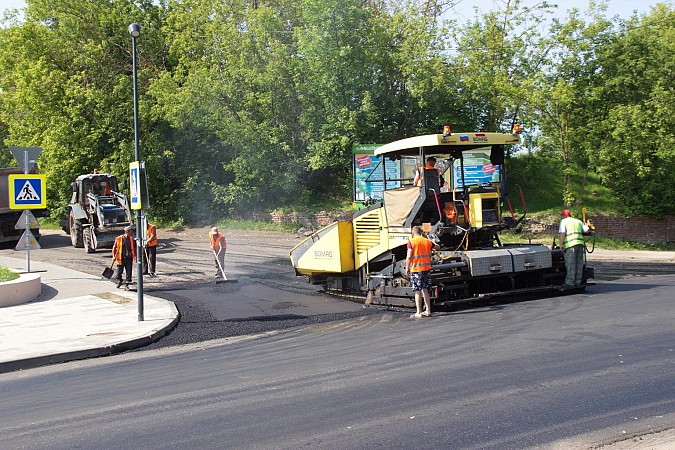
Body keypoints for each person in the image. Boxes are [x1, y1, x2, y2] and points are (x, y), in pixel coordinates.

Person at [406, 225, 440, 319]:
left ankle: (418, 312)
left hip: (416, 270)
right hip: (426, 269)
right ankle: (428, 311)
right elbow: (437, 247)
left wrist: (407, 267)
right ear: (421, 232)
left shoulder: (411, 242)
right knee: (425, 290)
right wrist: (433, 243)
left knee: (417, 291)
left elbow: (409, 256)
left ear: (413, 233)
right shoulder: (426, 241)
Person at [558, 209, 590, 287]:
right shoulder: (578, 221)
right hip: (580, 244)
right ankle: (577, 282)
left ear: (565, 215)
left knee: (570, 264)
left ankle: (569, 282)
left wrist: (561, 245)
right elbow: (587, 231)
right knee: (579, 263)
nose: (561, 217)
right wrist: (585, 224)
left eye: (562, 215)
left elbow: (562, 233)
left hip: (570, 245)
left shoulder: (564, 221)